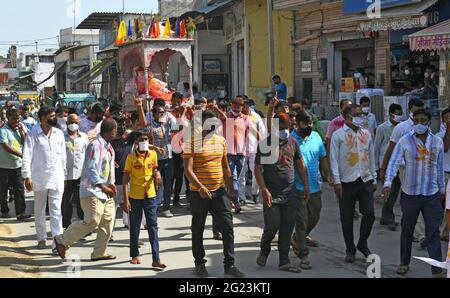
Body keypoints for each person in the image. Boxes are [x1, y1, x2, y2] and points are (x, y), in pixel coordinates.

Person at [183, 109, 245, 278]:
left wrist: (231, 191)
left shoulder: (221, 141)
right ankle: (200, 265)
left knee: (228, 227)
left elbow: (225, 167)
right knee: (198, 229)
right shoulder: (191, 142)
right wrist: (200, 187)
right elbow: (188, 170)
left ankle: (230, 266)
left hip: (220, 192)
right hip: (199, 194)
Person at [383, 109, 445, 278]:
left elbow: (439, 168)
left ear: (429, 122)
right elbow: (394, 162)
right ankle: (404, 262)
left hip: (431, 194)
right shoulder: (404, 141)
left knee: (433, 232)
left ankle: (437, 269)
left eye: (423, 120)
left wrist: (442, 190)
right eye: (416, 120)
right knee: (407, 229)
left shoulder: (437, 142)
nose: (419, 123)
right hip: (410, 194)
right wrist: (388, 182)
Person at [54, 119, 118, 261]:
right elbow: (90, 168)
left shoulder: (108, 147)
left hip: (105, 192)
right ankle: (62, 240)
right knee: (92, 220)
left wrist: (111, 184)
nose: (117, 132)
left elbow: (106, 166)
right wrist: (102, 186)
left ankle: (99, 253)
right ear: (111, 130)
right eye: (116, 129)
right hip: (92, 191)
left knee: (108, 221)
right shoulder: (95, 145)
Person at [254, 112, 308, 273]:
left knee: (287, 228)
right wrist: (264, 190)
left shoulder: (293, 142)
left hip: (290, 193)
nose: (285, 130)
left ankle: (284, 261)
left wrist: (305, 185)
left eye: (287, 127)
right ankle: (264, 249)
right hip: (271, 193)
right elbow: (257, 169)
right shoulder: (265, 144)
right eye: (282, 127)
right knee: (272, 226)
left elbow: (300, 164)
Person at [330, 104, 377, 263]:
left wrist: (374, 177)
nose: (361, 117)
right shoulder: (338, 135)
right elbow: (334, 159)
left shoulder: (366, 133)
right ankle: (350, 249)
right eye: (357, 114)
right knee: (347, 217)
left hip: (364, 179)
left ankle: (362, 243)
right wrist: (336, 181)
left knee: (369, 213)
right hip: (346, 181)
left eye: (362, 114)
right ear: (347, 116)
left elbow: (371, 156)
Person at [290, 110, 333, 269]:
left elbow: (322, 157)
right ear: (298, 123)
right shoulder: (291, 139)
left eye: (311, 123)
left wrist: (327, 174)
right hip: (297, 187)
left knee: (314, 216)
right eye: (306, 123)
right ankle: (303, 255)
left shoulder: (316, 137)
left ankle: (297, 238)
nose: (309, 126)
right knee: (301, 222)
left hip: (315, 185)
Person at [380, 98, 426, 245]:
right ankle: (421, 235)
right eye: (415, 109)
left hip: (421, 167)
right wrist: (383, 168)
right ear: (410, 109)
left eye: (421, 108)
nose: (418, 111)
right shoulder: (401, 127)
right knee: (411, 197)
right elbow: (391, 148)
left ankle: (413, 229)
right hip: (404, 167)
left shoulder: (425, 127)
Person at [22, 106, 66, 250]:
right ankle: (41, 238)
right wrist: (26, 176)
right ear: (42, 118)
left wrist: (64, 175)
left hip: (57, 176)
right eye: (51, 116)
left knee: (56, 210)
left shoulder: (59, 133)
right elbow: (27, 156)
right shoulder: (33, 134)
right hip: (39, 177)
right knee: (40, 209)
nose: (54, 118)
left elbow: (63, 157)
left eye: (55, 116)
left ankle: (57, 242)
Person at [123, 129, 166, 268]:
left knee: (153, 226)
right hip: (135, 195)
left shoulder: (153, 154)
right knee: (135, 226)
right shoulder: (131, 158)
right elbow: (125, 179)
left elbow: (154, 169)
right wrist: (126, 199)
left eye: (146, 139)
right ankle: (134, 254)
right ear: (136, 142)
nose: (144, 142)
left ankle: (156, 258)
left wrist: (157, 174)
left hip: (150, 194)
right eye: (141, 139)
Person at [215, 96, 251, 209]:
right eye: (235, 105)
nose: (237, 107)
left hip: (241, 153)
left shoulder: (245, 118)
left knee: (239, 177)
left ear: (242, 107)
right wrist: (216, 108)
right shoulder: (227, 117)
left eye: (239, 105)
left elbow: (249, 134)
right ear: (231, 105)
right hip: (229, 152)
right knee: (233, 177)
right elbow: (222, 116)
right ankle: (237, 201)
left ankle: (232, 197)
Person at [374, 103, 403, 231]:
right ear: (391, 114)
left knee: (394, 192)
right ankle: (389, 217)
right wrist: (378, 167)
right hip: (385, 163)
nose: (399, 116)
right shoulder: (382, 128)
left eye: (400, 114)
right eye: (397, 114)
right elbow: (376, 147)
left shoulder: (402, 128)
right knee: (389, 191)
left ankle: (385, 216)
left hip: (398, 164)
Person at [0, 108, 30, 220]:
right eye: (14, 119)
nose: (16, 121)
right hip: (4, 166)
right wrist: (20, 154)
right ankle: (4, 210)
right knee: (3, 190)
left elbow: (25, 142)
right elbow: (5, 146)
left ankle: (21, 212)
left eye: (18, 119)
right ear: (8, 118)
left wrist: (22, 131)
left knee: (19, 189)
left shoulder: (19, 128)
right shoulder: (3, 130)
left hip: (18, 165)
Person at [61, 114, 88, 229]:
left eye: (76, 122)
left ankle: (84, 226)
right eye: (71, 122)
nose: (73, 125)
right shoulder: (62, 137)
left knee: (81, 202)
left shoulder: (84, 137)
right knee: (67, 202)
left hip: (81, 175)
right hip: (66, 176)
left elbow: (88, 155)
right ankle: (66, 226)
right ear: (67, 123)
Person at [149, 101, 174, 217]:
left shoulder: (167, 124)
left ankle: (166, 207)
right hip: (155, 159)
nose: (161, 114)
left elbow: (179, 126)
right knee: (155, 183)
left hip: (168, 158)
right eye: (159, 112)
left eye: (163, 113)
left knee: (168, 184)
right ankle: (153, 206)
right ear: (153, 113)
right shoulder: (150, 126)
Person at [437, 108, 450, 242]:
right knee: (439, 204)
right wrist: (448, 130)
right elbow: (445, 148)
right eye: (447, 118)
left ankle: (445, 231)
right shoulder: (439, 136)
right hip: (443, 174)